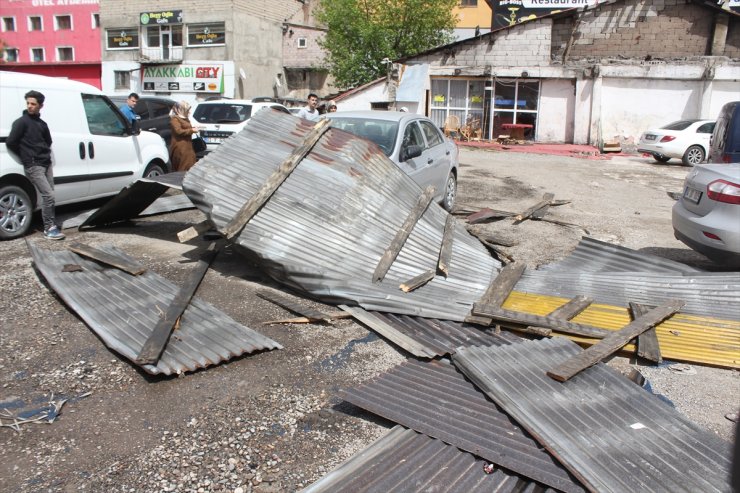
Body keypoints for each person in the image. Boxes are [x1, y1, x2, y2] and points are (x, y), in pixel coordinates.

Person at [6, 90, 64, 240]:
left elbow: (48, 141)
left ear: (40, 106)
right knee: (48, 195)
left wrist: (43, 154)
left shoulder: (42, 124)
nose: (30, 106)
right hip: (33, 165)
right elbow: (11, 142)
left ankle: (51, 224)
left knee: (50, 196)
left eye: (33, 104)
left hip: (46, 163)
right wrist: (25, 157)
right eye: (28, 103)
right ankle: (49, 228)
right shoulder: (21, 122)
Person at [169, 100, 200, 172]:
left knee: (190, 167)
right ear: (181, 109)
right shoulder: (175, 119)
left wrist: (194, 128)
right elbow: (178, 131)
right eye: (187, 110)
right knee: (182, 168)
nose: (189, 112)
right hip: (180, 148)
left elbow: (186, 128)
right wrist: (192, 130)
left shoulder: (185, 118)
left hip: (188, 147)